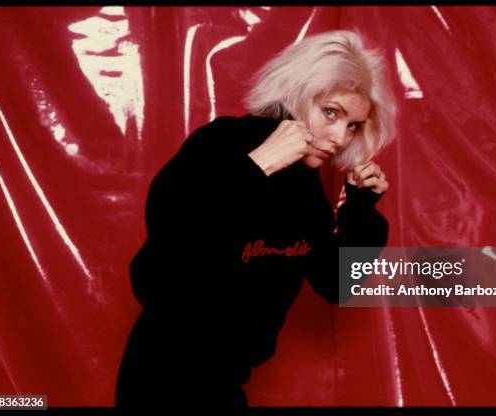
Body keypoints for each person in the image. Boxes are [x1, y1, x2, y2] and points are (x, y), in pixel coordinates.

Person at [115, 29, 397, 413]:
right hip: (161, 377)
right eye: (331, 112)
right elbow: (163, 267)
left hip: (226, 383)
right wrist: (258, 166)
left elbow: (335, 283)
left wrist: (361, 210)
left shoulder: (305, 189)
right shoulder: (222, 143)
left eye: (352, 126)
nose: (339, 138)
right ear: (297, 92)